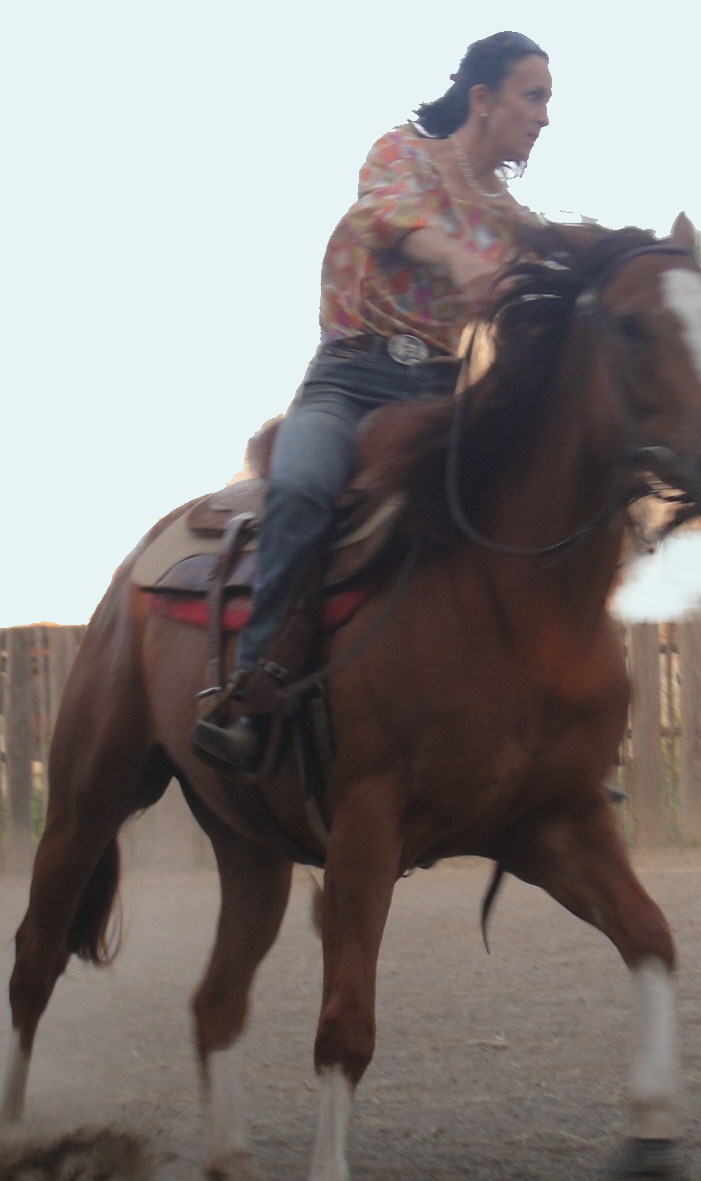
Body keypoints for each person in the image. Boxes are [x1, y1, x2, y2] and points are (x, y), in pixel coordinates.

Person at [192, 30, 553, 773]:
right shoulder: (401, 155)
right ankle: (251, 694)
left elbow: (560, 263)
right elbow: (390, 215)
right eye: (535, 96)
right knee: (300, 490)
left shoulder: (514, 216)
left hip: (439, 395)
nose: (545, 116)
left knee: (525, 515)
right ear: (482, 98)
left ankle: (543, 735)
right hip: (350, 383)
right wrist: (460, 256)